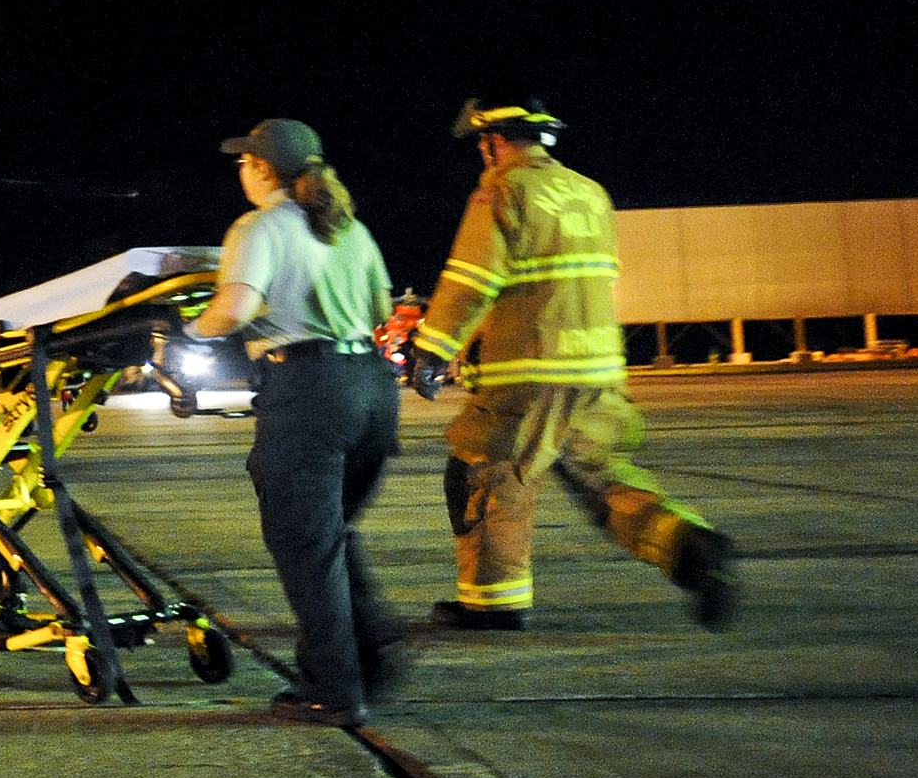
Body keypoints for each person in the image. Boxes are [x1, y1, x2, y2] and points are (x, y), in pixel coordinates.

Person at [408, 98, 738, 631]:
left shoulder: (502, 189)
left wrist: (433, 347)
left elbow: (472, 279)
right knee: (601, 475)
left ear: (493, 141)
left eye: (481, 145)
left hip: (528, 373)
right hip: (597, 372)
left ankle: (494, 604)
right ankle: (688, 544)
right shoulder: (590, 193)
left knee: (486, 472)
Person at [180, 120, 403, 727]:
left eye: (243, 162)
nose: (239, 172)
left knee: (307, 546)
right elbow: (382, 309)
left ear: (262, 168)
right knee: (328, 535)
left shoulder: (258, 226)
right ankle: (371, 653)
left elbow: (237, 307)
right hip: (373, 390)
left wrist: (184, 334)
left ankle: (334, 691)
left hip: (308, 392)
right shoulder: (351, 227)